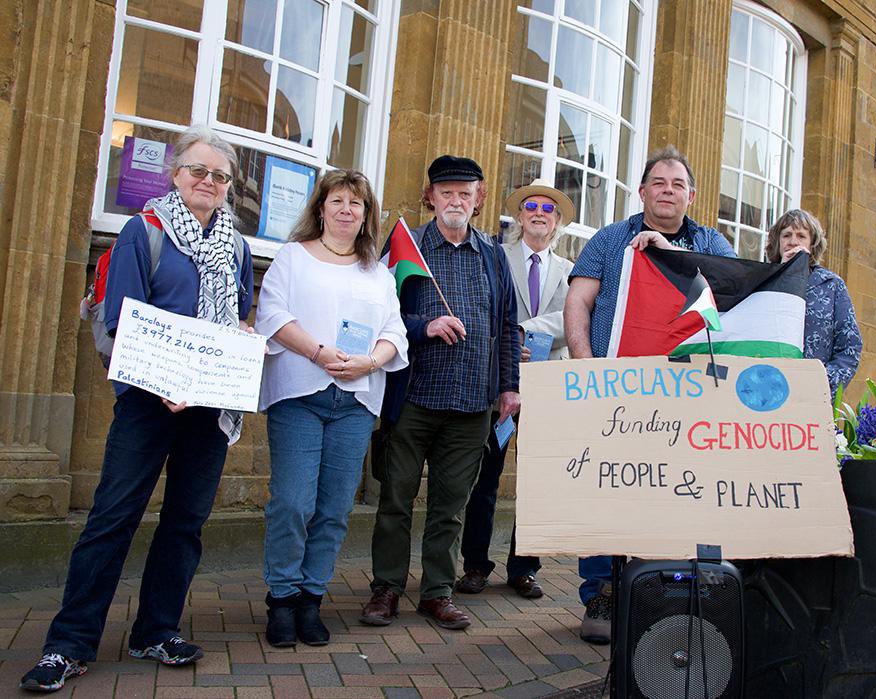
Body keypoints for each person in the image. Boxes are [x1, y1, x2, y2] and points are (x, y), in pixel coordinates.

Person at [21, 126, 254, 693]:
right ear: (176, 174)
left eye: (220, 176)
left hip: (207, 407)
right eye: (199, 171)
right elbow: (125, 320)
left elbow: (240, 317)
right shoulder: (143, 232)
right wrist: (165, 381)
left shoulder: (239, 247)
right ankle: (69, 644)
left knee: (185, 522)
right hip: (149, 404)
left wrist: (240, 345)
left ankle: (155, 629)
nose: (209, 182)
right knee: (112, 518)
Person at [563, 145, 736, 645]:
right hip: (613, 393)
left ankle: (662, 591)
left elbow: (727, 302)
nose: (667, 191)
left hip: (685, 398)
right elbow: (580, 299)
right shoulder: (611, 238)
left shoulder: (713, 243)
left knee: (674, 489)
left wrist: (667, 252)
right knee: (606, 488)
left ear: (691, 195)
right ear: (642, 191)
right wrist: (585, 369)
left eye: (677, 185)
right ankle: (601, 589)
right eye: (658, 183)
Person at [360, 155, 521, 630]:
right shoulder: (405, 248)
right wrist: (423, 325)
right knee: (395, 500)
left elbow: (508, 326)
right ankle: (386, 588)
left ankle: (436, 592)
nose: (455, 201)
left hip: (473, 406)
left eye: (464, 193)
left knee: (451, 507)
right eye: (446, 192)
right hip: (414, 401)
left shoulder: (493, 255)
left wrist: (509, 386)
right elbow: (379, 316)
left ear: (479, 199)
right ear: (430, 196)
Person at [254, 169, 408, 648]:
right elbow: (273, 316)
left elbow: (395, 332)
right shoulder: (292, 258)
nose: (346, 210)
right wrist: (319, 352)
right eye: (337, 200)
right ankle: (281, 598)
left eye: (356, 204)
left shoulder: (378, 273)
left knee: (334, 508)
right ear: (320, 208)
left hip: (356, 402)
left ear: (366, 216)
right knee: (293, 503)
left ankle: (310, 598)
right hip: (300, 393)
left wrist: (370, 360)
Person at [456, 178, 575, 600]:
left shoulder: (570, 271)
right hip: (498, 381)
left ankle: (524, 568)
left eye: (548, 208)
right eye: (531, 207)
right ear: (520, 216)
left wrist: (521, 331)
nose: (539, 213)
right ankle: (474, 565)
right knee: (484, 477)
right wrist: (508, 342)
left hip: (548, 387)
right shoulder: (495, 257)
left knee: (539, 481)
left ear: (557, 221)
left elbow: (571, 320)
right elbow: (483, 304)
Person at [766, 209, 861, 396]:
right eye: (786, 235)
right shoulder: (762, 281)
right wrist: (782, 275)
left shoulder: (832, 285)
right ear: (777, 243)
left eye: (801, 236)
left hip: (814, 395)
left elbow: (850, 345)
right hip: (768, 391)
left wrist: (822, 382)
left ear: (812, 244)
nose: (793, 241)